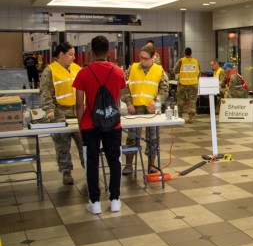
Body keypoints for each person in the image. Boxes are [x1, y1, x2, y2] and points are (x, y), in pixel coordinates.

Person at [73, 35, 127, 214]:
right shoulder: (118, 72)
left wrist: (81, 125)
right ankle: (115, 200)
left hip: (90, 124)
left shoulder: (83, 72)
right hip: (113, 124)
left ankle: (94, 203)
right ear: (109, 52)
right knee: (115, 161)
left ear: (91, 51)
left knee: (92, 162)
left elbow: (79, 103)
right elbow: (117, 100)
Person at [40, 42, 84, 185]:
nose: (73, 57)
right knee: (62, 146)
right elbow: (46, 93)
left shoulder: (77, 69)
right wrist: (49, 110)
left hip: (78, 112)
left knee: (85, 143)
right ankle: (66, 172)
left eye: (74, 54)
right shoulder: (50, 71)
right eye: (70, 54)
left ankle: (89, 168)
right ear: (61, 55)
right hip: (60, 114)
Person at [122, 45, 169, 175]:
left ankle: (151, 164)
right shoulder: (132, 69)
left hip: (151, 110)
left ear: (152, 58)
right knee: (132, 137)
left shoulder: (159, 70)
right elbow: (124, 86)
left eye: (145, 58)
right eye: (140, 57)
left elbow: (164, 89)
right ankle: (129, 164)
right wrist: (128, 103)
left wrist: (156, 102)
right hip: (135, 109)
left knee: (153, 137)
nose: (142, 61)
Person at [173, 47, 200, 124]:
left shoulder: (181, 60)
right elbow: (199, 72)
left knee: (181, 100)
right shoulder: (195, 61)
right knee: (192, 101)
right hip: (193, 84)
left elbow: (175, 70)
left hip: (182, 84)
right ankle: (191, 118)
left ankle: (180, 116)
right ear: (191, 53)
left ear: (185, 53)